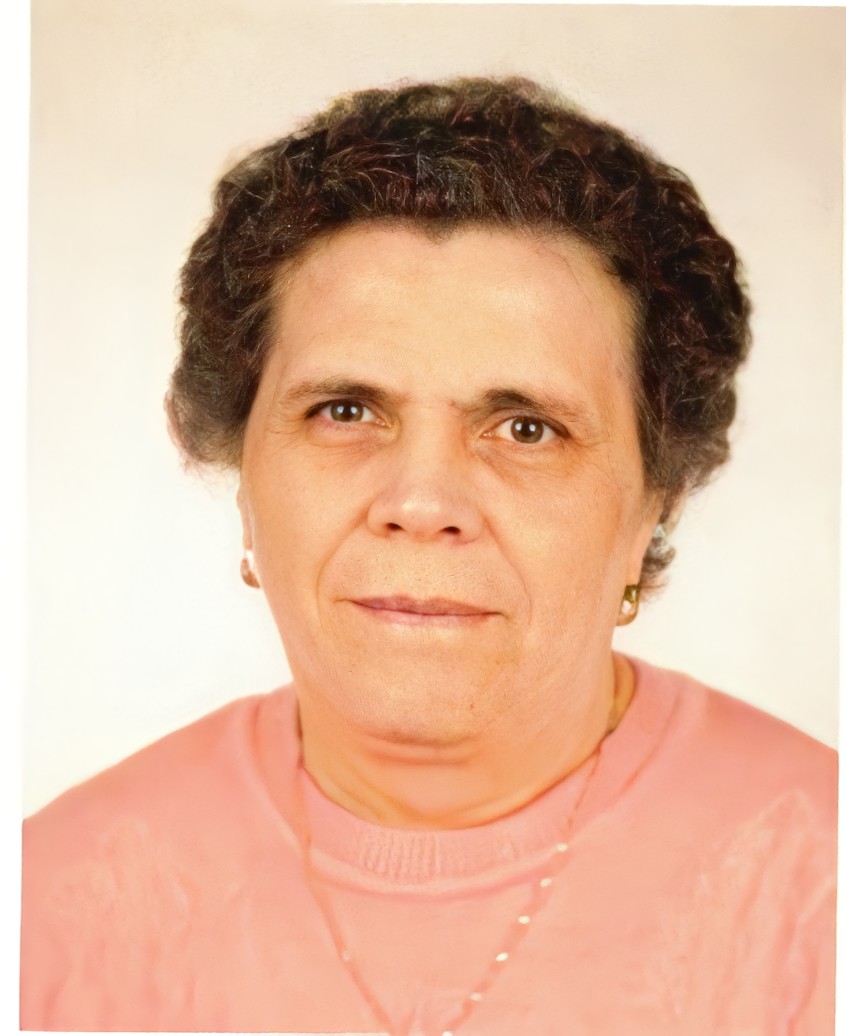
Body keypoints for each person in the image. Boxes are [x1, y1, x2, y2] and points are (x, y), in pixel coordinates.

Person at [21, 77, 835, 1035]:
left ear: (656, 499)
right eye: (345, 411)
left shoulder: (817, 889)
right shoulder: (52, 906)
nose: (421, 503)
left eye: (525, 428)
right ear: (242, 471)